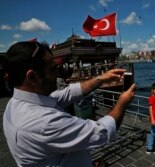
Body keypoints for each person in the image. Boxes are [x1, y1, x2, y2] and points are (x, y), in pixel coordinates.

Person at [3, 41, 135, 167]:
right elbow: (102, 132)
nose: (58, 73)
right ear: (32, 77)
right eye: (53, 69)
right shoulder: (44, 123)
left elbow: (68, 93)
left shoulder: (14, 105)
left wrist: (101, 78)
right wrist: (123, 101)